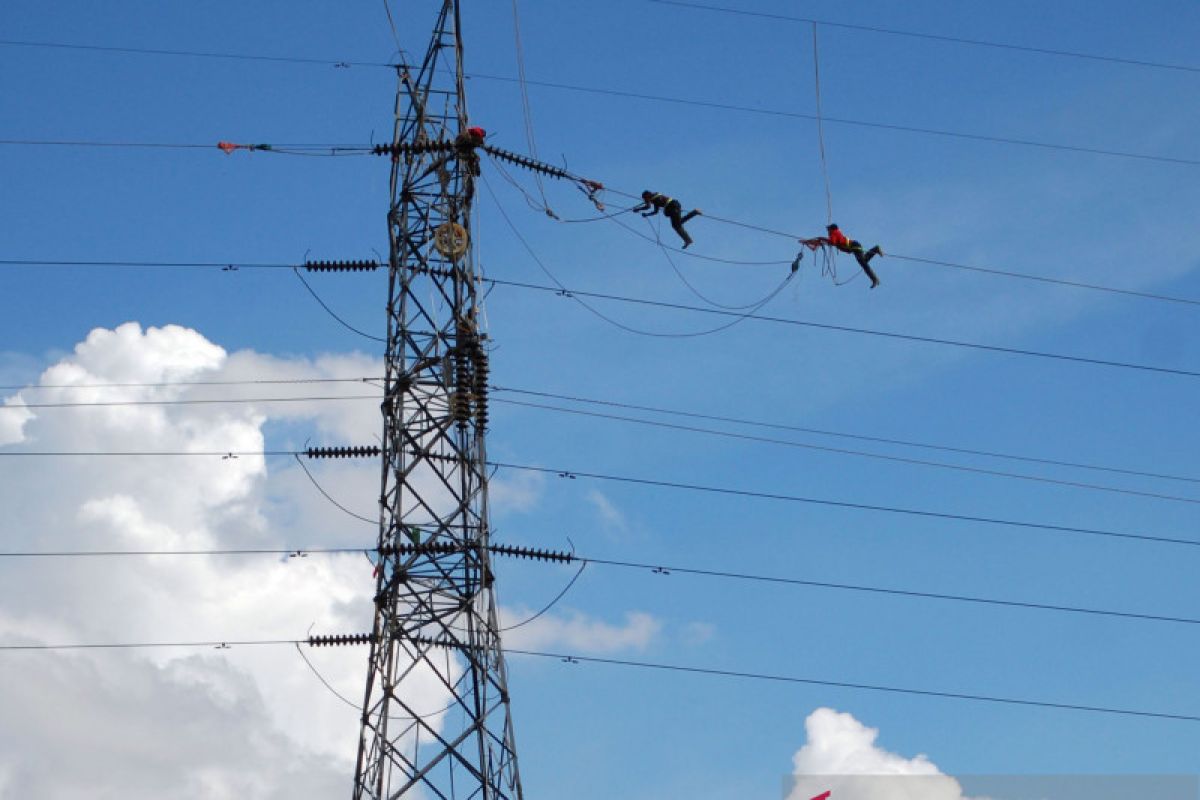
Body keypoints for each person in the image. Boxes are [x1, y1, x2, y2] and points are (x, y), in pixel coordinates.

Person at [813, 223, 884, 288]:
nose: (828, 232)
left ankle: (875, 279)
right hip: (854, 246)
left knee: (864, 263)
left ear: (831, 229)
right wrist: (823, 240)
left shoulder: (834, 233)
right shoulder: (836, 233)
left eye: (828, 230)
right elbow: (832, 242)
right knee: (864, 261)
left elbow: (832, 242)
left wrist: (821, 238)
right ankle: (876, 250)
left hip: (854, 246)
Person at [633, 191, 702, 248]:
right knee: (677, 225)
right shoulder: (655, 197)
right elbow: (655, 211)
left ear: (647, 197)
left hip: (672, 207)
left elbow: (648, 207)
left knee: (677, 225)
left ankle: (694, 213)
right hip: (674, 205)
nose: (645, 200)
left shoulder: (654, 199)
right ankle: (688, 239)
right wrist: (647, 214)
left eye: (645, 199)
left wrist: (638, 209)